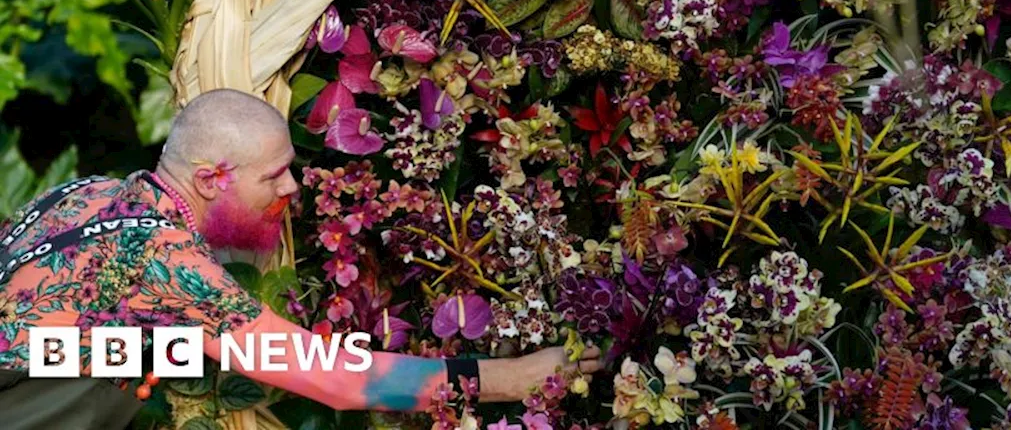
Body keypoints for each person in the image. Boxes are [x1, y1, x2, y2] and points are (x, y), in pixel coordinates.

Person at [0, 88, 600, 429]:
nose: (292, 189)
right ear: (211, 180)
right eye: (275, 174)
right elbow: (338, 380)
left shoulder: (88, 194)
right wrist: (505, 379)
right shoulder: (161, 261)